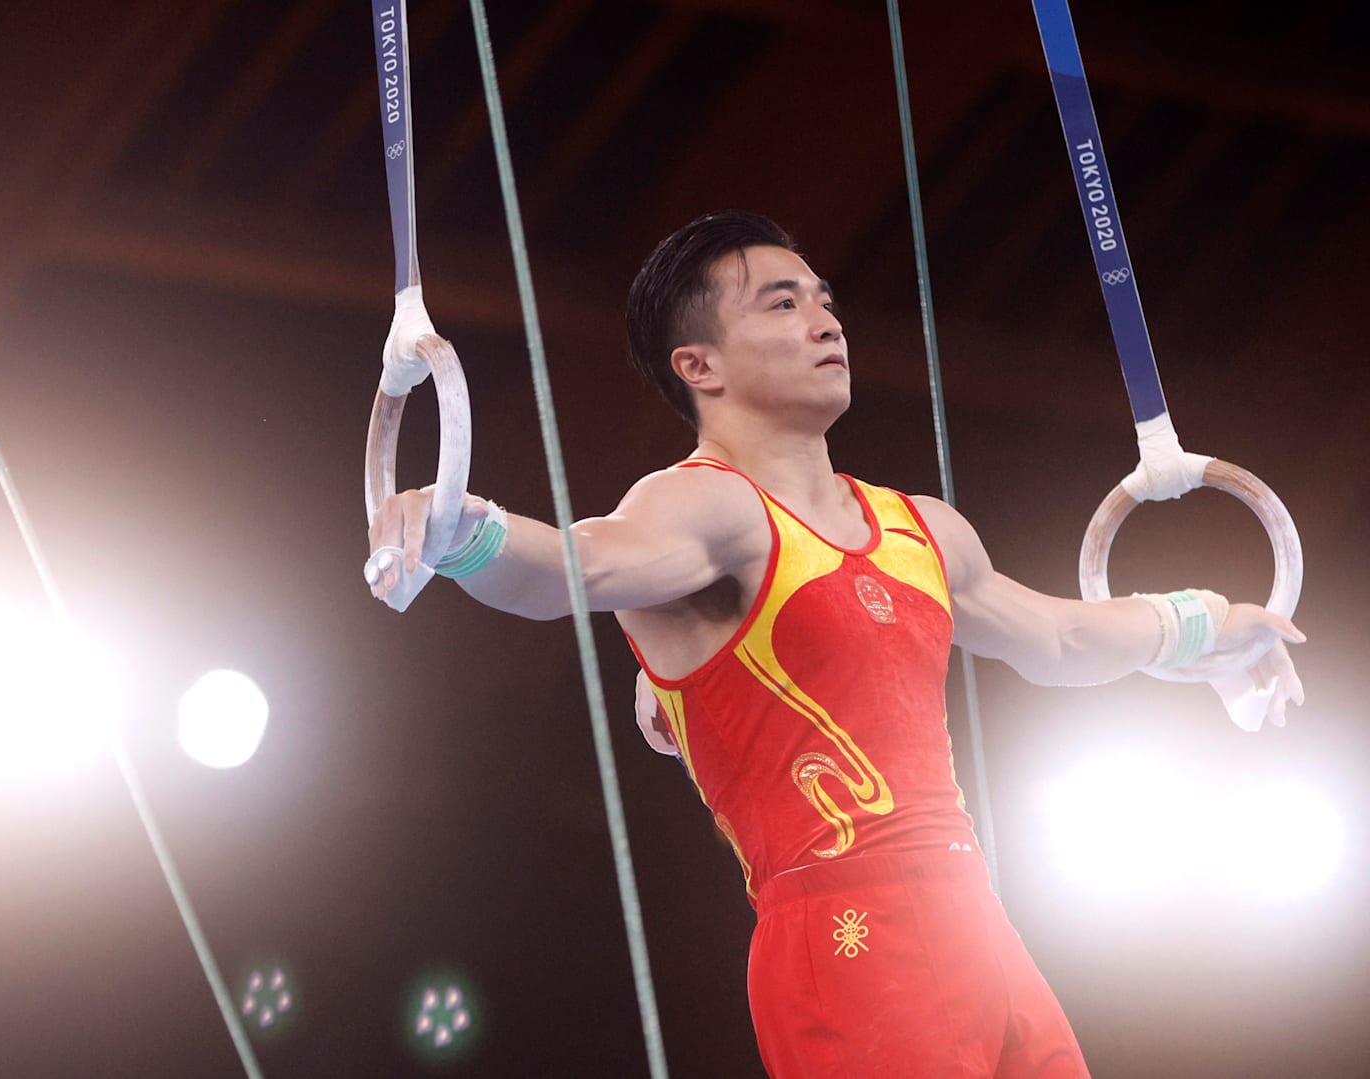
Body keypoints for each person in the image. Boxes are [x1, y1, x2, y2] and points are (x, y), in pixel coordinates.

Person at [363, 210, 1305, 1077]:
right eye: (783, 303)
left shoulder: (921, 526)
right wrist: (459, 528)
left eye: (825, 301)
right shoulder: (704, 506)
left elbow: (1056, 634)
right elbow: (571, 568)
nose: (825, 321)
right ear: (700, 365)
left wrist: (1208, 625)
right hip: (844, 934)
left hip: (980, 927)